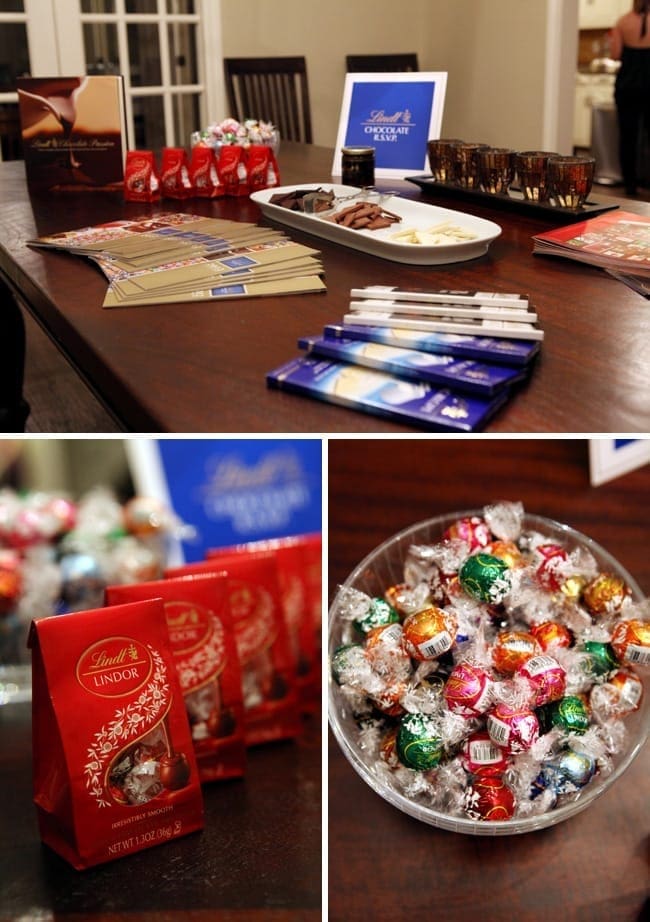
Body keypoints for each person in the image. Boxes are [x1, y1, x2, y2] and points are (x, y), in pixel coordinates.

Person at [610, 1, 650, 195]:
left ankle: (631, 185)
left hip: (628, 84)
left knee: (628, 136)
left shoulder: (623, 22)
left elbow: (616, 54)